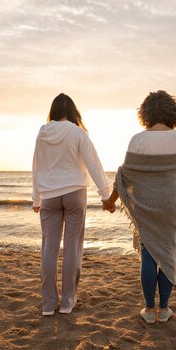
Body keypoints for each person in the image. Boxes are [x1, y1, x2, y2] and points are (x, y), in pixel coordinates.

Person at [104, 90, 176, 324]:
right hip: (171, 205)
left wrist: (111, 201)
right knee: (169, 257)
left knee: (148, 254)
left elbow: (125, 176)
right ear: (173, 113)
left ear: (146, 113)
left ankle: (149, 310)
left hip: (145, 205)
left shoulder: (137, 140)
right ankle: (165, 309)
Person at [32, 93, 113, 316]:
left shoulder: (42, 133)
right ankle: (67, 302)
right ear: (74, 112)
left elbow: (36, 166)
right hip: (75, 194)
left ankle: (48, 304)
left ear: (53, 111)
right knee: (72, 248)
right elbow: (94, 164)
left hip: (49, 195)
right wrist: (106, 195)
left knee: (49, 248)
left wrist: (36, 197)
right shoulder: (78, 133)